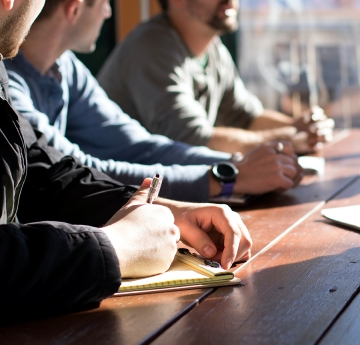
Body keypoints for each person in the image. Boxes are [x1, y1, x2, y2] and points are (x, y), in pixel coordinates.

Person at [0, 0, 252, 322]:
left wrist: (157, 209)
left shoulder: (33, 67)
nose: (108, 13)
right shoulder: (152, 45)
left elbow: (42, 173)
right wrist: (115, 246)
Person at [5, 0, 303, 203]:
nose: (109, 12)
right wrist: (227, 177)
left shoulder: (64, 66)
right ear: (74, 9)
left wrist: (233, 164)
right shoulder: (9, 85)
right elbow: (79, 171)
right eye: (106, 2)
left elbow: (138, 145)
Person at [97, 0, 335, 155]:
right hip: (125, 196)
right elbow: (193, 139)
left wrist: (302, 126)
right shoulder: (151, 46)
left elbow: (246, 116)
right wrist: (291, 138)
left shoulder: (213, 47)